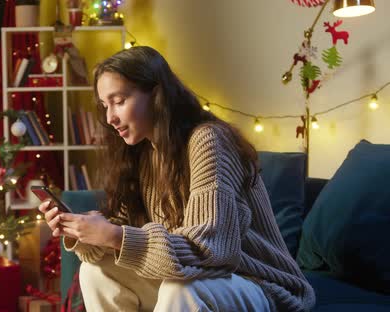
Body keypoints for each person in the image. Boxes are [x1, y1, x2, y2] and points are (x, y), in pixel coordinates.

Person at [38, 46, 315, 312]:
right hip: (196, 279)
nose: (110, 117)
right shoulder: (141, 154)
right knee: (95, 273)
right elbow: (124, 235)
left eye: (119, 101)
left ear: (157, 95)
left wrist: (114, 235)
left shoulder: (208, 140)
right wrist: (83, 231)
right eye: (104, 105)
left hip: (260, 285)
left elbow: (212, 250)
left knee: (180, 290)